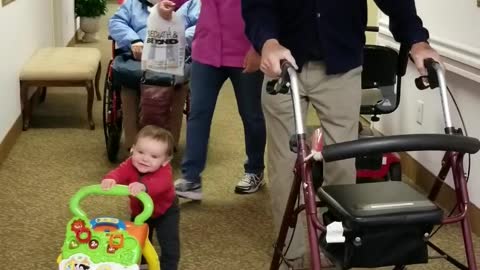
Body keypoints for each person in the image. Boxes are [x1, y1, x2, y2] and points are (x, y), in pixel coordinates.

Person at [241, 0, 442, 268]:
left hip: (341, 63)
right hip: (283, 63)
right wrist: (266, 42)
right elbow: (258, 5)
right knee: (285, 163)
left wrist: (417, 41)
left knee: (342, 163)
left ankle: (334, 245)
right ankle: (294, 252)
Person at [158, 0, 267, 200]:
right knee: (198, 113)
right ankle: (191, 178)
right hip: (207, 50)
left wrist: (259, 47)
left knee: (251, 115)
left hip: (245, 50)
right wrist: (170, 3)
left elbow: (268, 9)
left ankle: (255, 169)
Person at [108, 0, 200, 151]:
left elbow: (201, 25)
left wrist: (180, 38)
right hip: (138, 58)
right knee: (128, 85)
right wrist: (134, 40)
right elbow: (116, 22)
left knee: (178, 86)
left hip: (175, 56)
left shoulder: (190, 3)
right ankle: (133, 145)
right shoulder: (133, 4)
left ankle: (167, 145)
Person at [101, 125, 179, 270]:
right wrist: (111, 179)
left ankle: (169, 265)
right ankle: (141, 262)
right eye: (140, 152)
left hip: (165, 211)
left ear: (165, 161)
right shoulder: (130, 164)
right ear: (132, 149)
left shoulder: (165, 171)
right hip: (140, 213)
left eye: (154, 156)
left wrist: (144, 187)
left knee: (169, 242)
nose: (145, 159)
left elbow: (161, 184)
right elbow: (119, 172)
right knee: (138, 237)